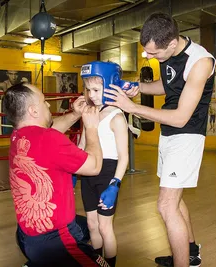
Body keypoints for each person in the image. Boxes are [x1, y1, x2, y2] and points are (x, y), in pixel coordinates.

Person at [104, 12, 216, 267]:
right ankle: (190, 253)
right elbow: (169, 86)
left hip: (186, 135)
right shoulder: (168, 53)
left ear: (172, 44)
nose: (148, 57)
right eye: (147, 52)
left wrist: (131, 108)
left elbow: (180, 117)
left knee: (165, 206)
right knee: (175, 201)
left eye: (154, 53)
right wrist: (138, 87)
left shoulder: (200, 62)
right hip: (170, 133)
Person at [2, 82, 111, 267]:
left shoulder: (19, 136)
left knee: (88, 225)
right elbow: (94, 166)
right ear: (33, 111)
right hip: (56, 240)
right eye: (44, 101)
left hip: (27, 234)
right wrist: (91, 128)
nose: (48, 105)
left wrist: (75, 114)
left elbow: (49, 131)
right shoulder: (51, 140)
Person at [78, 61, 129, 267]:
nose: (92, 95)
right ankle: (97, 263)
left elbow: (124, 156)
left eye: (97, 90)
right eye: (88, 90)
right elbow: (81, 144)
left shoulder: (116, 117)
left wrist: (115, 184)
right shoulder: (89, 113)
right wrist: (73, 169)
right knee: (91, 225)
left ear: (109, 87)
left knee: (105, 226)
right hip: (89, 170)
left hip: (108, 172)